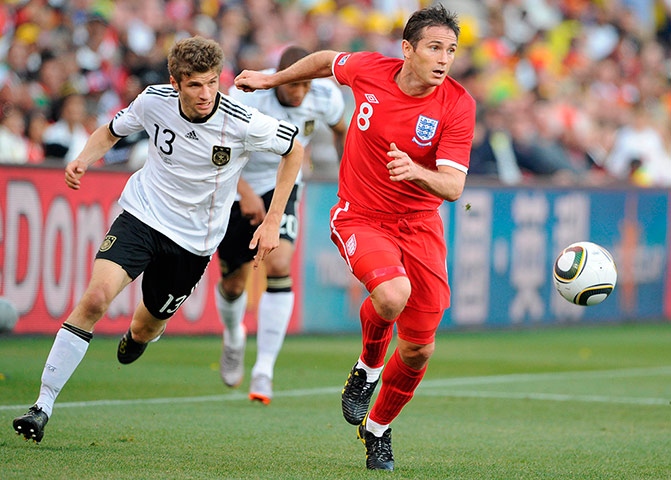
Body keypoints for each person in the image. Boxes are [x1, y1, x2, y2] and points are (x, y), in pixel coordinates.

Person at [12, 36, 303, 444]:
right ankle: (42, 406)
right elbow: (111, 131)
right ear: (175, 82)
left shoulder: (240, 120)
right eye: (195, 85)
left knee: (147, 326)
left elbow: (295, 150)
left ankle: (139, 336)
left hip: (192, 243)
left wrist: (273, 220)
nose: (206, 95)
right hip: (142, 216)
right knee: (95, 299)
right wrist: (82, 159)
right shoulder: (153, 100)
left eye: (212, 83)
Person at [235, 5, 475, 471]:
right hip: (361, 216)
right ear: (407, 50)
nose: (444, 59)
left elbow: (453, 186)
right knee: (392, 294)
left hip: (421, 225)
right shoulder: (370, 69)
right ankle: (366, 370)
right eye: (434, 48)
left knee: (420, 347)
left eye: (451, 50)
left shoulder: (457, 104)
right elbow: (326, 59)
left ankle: (378, 429)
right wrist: (271, 79)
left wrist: (417, 172)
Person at [215, 46, 346, 404]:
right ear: (280, 78)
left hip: (282, 184)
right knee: (234, 282)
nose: (300, 92)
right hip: (235, 182)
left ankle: (264, 371)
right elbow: (219, 149)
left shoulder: (323, 94)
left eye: (306, 85)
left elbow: (342, 130)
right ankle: (233, 336)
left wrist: (349, 175)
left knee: (279, 262)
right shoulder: (249, 95)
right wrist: (244, 192)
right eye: (294, 85)